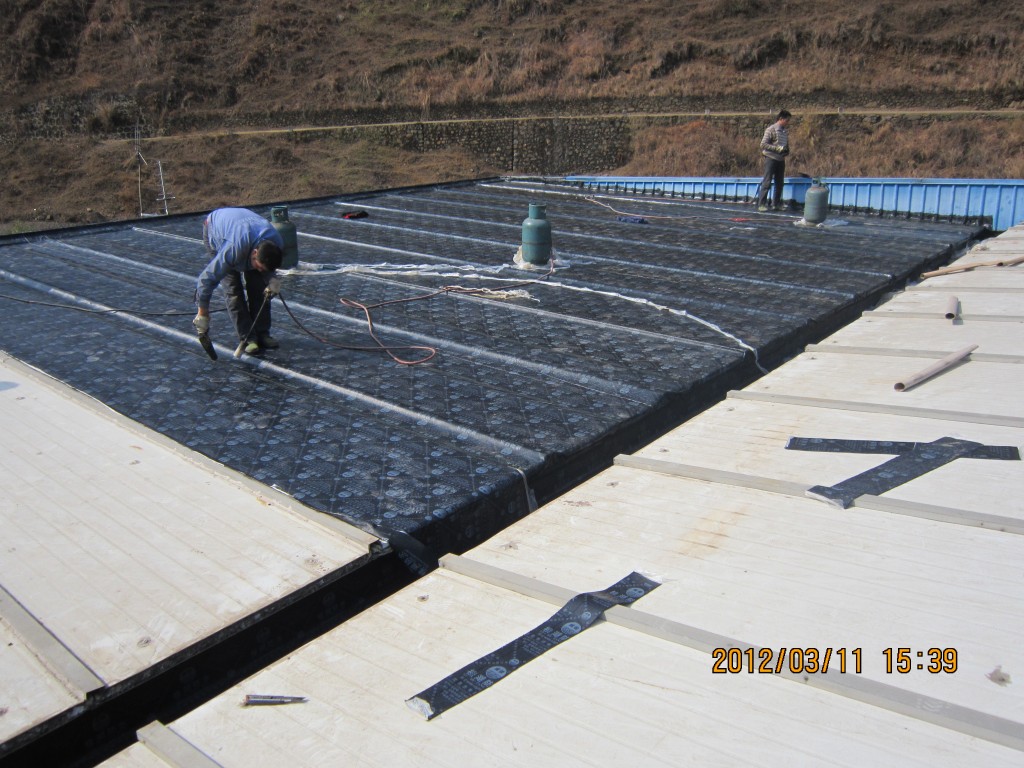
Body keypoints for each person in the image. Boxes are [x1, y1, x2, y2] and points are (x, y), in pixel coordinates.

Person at [193, 207, 284, 355]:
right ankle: (248, 338)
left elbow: (268, 269)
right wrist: (202, 312)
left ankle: (262, 333)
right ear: (254, 253)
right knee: (233, 290)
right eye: (259, 267)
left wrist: (272, 280)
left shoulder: (276, 242)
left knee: (259, 286)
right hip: (216, 231)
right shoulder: (233, 249)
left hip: (245, 229)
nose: (260, 270)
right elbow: (207, 279)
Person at [757, 109, 791, 212]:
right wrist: (776, 148)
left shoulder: (784, 131)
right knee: (767, 181)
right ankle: (761, 204)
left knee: (779, 183)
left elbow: (785, 145)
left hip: (780, 159)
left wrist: (786, 151)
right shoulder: (771, 129)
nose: (787, 123)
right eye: (786, 120)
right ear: (781, 119)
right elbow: (763, 144)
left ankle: (776, 204)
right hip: (771, 158)